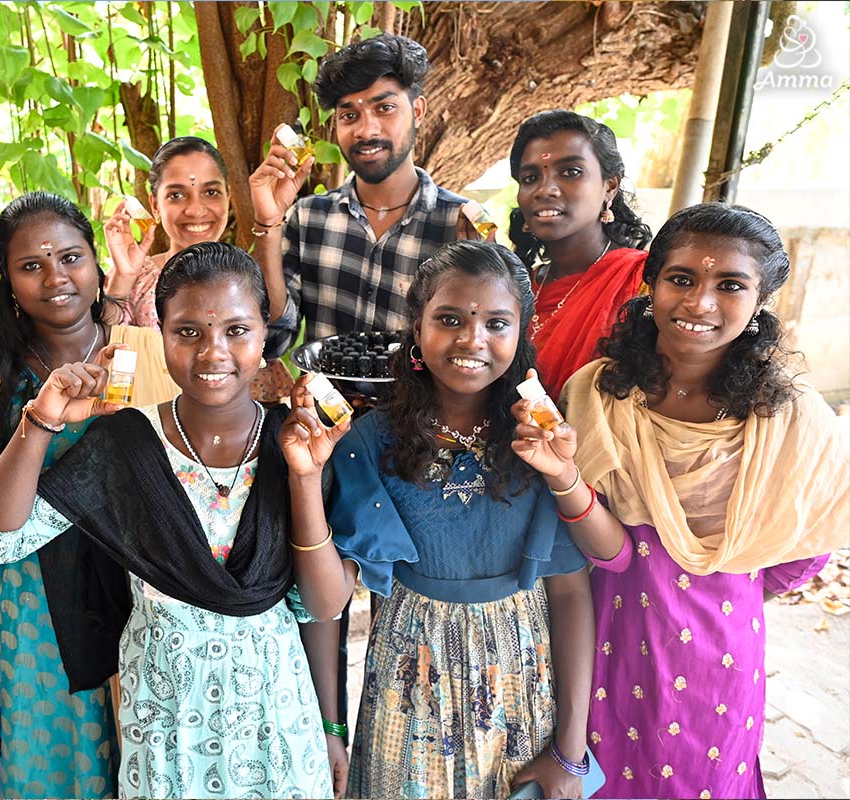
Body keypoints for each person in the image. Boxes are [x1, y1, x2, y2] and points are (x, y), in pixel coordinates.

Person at [0, 242, 334, 799]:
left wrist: (305, 479)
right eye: (188, 332)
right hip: (168, 723)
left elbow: (325, 605)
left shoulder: (299, 440)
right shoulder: (126, 443)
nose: (214, 352)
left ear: (266, 334)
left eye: (237, 330)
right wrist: (40, 421)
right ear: (158, 334)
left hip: (276, 721)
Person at [515, 203, 848, 799]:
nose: (699, 303)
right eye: (682, 278)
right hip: (594, 634)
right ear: (651, 281)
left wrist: (718, 575)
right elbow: (573, 531)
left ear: (761, 299)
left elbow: (804, 549)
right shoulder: (596, 392)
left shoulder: (789, 418)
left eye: (731, 285)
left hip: (715, 658)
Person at [284, 240, 595, 798]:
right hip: (406, 692)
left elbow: (570, 590)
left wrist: (571, 753)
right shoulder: (367, 442)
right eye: (449, 319)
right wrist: (328, 727)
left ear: (522, 337)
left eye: (496, 323)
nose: (472, 338)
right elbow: (328, 606)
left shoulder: (543, 443)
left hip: (517, 689)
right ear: (417, 334)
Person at [0, 192, 122, 798]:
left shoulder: (147, 351)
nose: (56, 278)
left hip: (149, 585)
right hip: (38, 608)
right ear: (7, 282)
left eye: (70, 257)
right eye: (31, 266)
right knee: (65, 770)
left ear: (96, 264)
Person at [249, 33, 480, 351]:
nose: (366, 130)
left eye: (385, 108)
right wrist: (268, 224)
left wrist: (480, 272)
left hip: (421, 403)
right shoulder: (309, 218)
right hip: (323, 401)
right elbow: (273, 339)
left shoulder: (462, 225)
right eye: (348, 115)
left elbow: (478, 348)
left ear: (419, 110)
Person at [104, 136, 293, 403]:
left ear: (228, 195)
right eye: (177, 195)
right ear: (155, 205)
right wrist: (124, 276)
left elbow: (278, 333)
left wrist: (269, 221)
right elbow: (104, 354)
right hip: (159, 429)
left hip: (252, 420)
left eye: (211, 192)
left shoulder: (246, 274)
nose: (195, 209)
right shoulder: (136, 277)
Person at [508, 109, 653, 399]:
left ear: (610, 186)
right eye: (530, 177)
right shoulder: (516, 286)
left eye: (571, 172)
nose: (545, 189)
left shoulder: (644, 282)